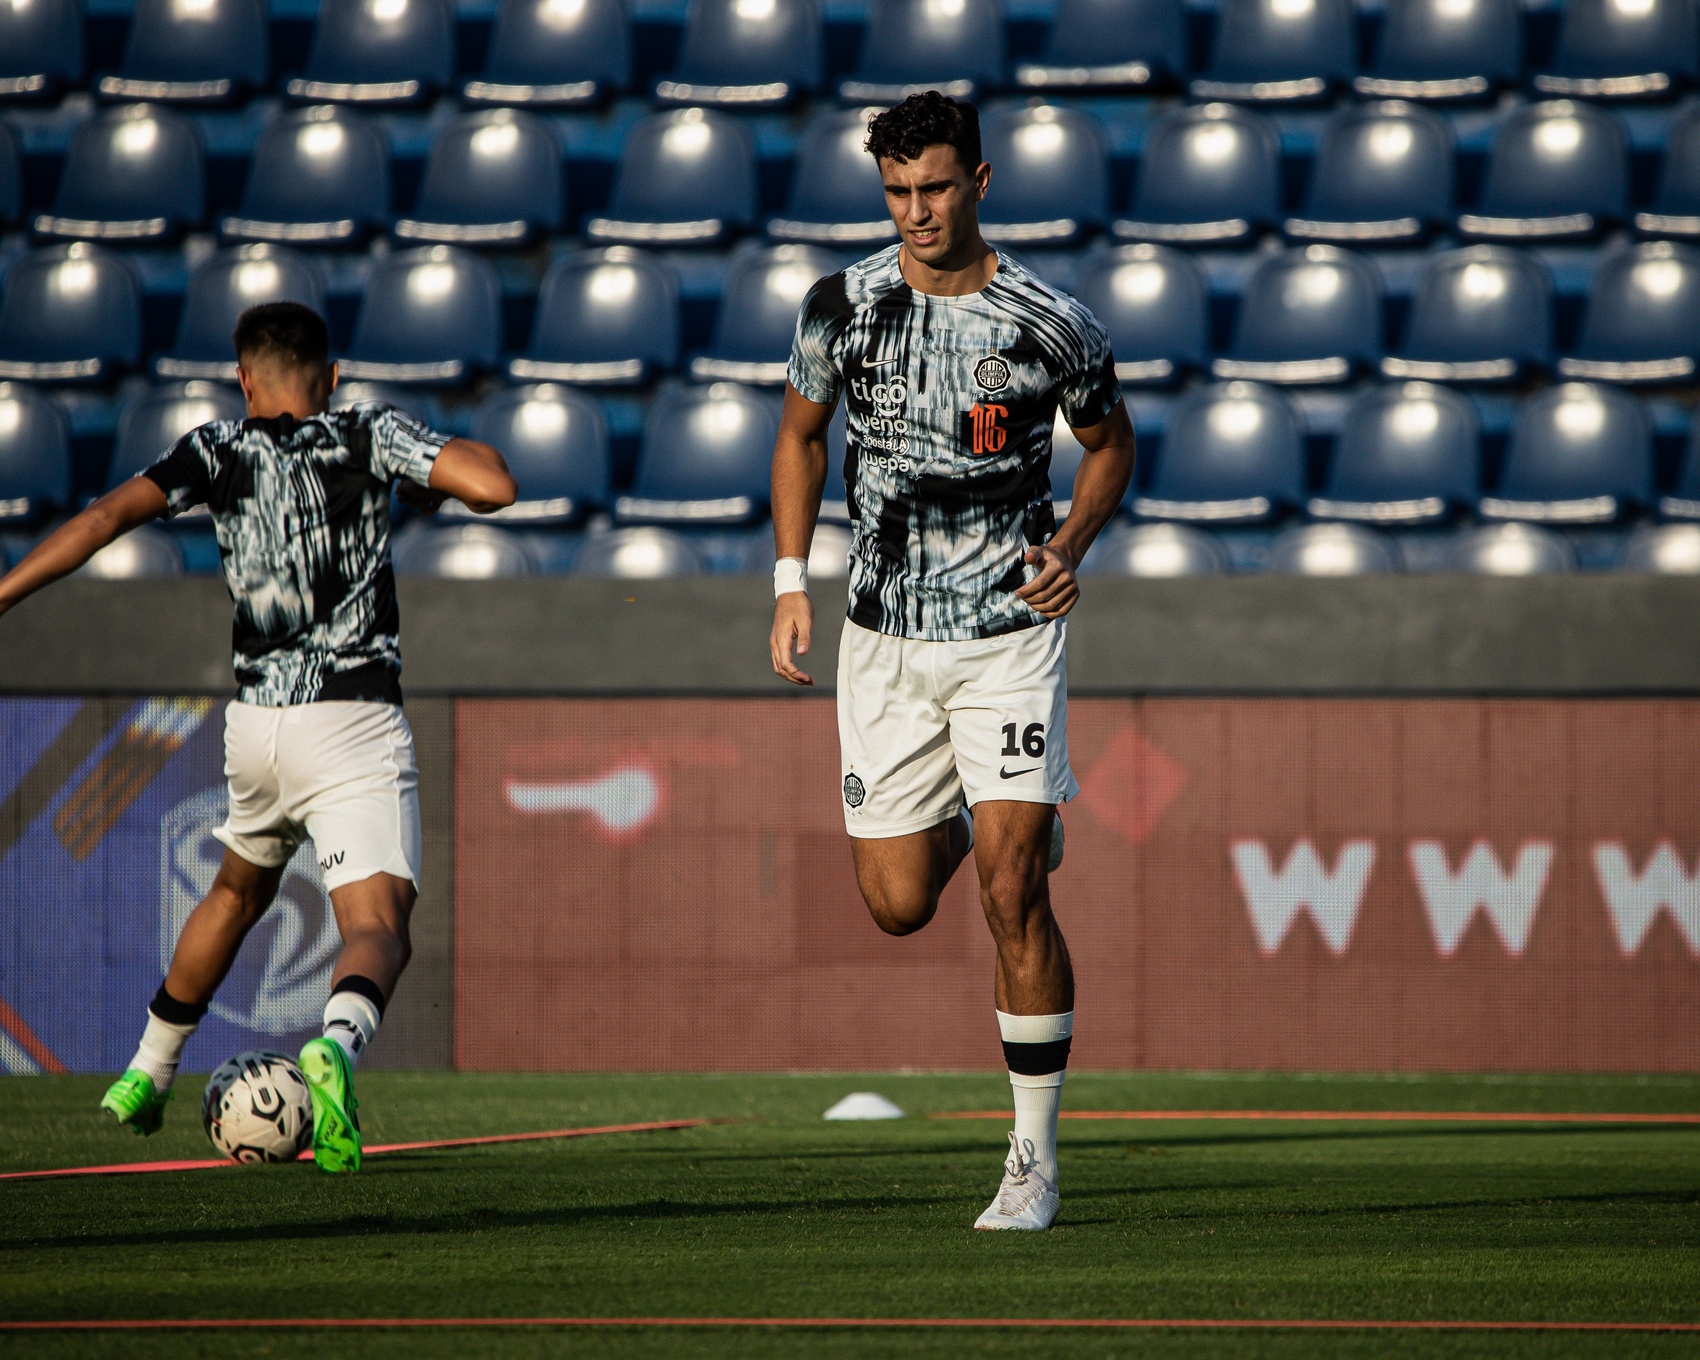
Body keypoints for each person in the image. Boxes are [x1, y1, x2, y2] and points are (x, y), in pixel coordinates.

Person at [0, 302, 516, 1173]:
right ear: (332, 376)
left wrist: (5, 594)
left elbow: (101, 521)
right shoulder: (365, 433)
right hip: (350, 719)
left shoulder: (214, 449)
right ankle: (336, 1049)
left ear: (244, 380)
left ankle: (147, 1070)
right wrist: (434, 470)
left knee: (237, 892)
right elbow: (495, 487)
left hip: (256, 728)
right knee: (378, 923)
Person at [768, 93, 1137, 1230]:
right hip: (882, 638)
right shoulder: (840, 306)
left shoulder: (1048, 322)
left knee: (1012, 887)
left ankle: (1031, 1161)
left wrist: (1070, 547)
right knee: (894, 905)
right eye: (896, 192)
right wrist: (788, 582)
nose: (916, 211)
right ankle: (992, 814)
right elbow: (799, 436)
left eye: (934, 187)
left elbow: (1110, 445)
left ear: (979, 180)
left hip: (1006, 635)